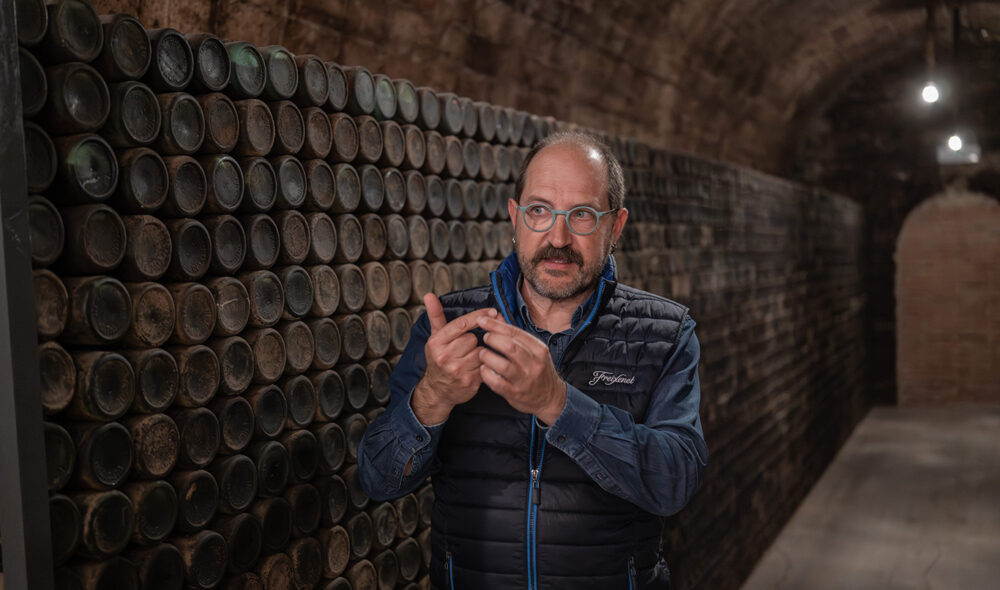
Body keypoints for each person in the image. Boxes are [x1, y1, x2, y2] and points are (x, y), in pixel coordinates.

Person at [358, 131, 708, 590]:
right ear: (515, 217)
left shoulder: (664, 333)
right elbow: (378, 479)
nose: (557, 237)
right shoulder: (452, 328)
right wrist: (432, 398)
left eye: (582, 215)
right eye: (540, 210)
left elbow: (675, 481)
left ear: (615, 226)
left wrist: (558, 403)